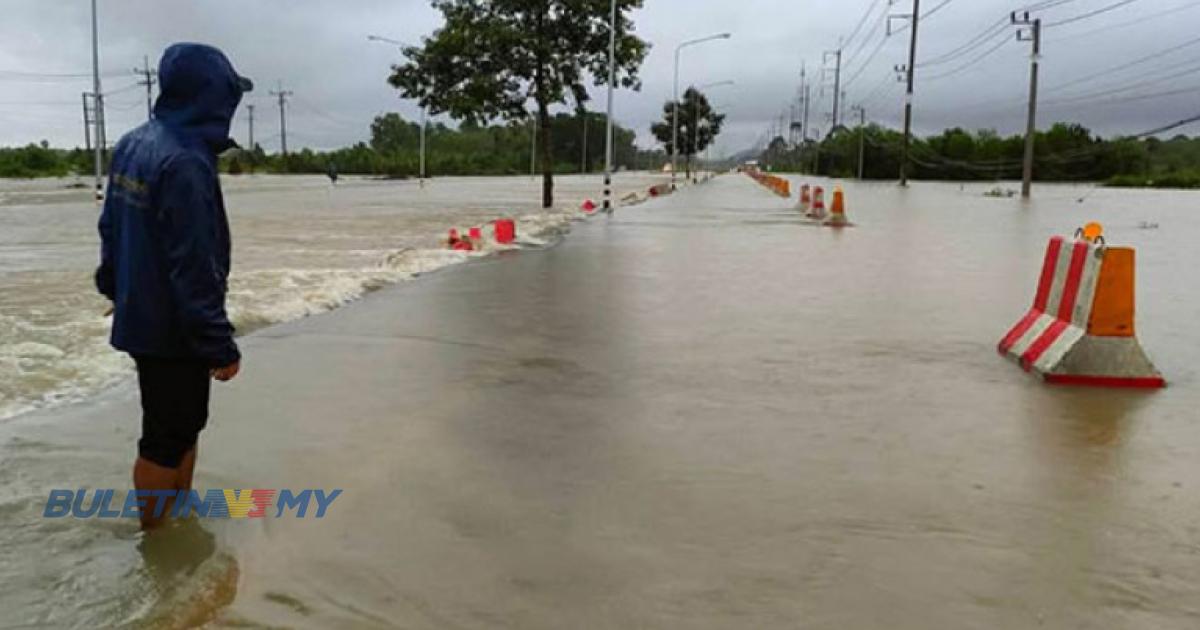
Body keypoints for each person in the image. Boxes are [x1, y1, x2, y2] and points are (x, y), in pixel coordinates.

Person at [95, 43, 251, 530]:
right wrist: (218, 343)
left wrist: (115, 288)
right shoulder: (185, 161)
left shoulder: (135, 142)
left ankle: (178, 520)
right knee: (165, 435)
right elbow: (195, 265)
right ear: (211, 95)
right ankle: (158, 543)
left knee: (181, 424)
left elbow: (110, 228)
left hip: (143, 314)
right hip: (173, 326)